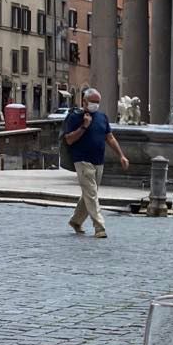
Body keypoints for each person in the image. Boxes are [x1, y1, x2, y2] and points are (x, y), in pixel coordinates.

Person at [63, 87, 128, 239]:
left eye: (98, 102)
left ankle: (76, 221)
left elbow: (110, 137)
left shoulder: (102, 117)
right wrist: (84, 126)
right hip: (82, 160)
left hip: (98, 161)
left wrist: (121, 156)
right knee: (91, 194)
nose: (95, 105)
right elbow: (69, 139)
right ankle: (100, 227)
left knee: (89, 193)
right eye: (93, 102)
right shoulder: (74, 117)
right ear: (84, 101)